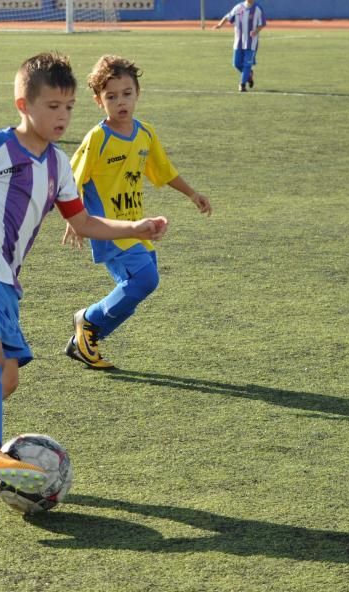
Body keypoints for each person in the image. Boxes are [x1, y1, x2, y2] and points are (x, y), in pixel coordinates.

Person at [0, 52, 168, 485]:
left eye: (68, 107)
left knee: (5, 378)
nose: (62, 116)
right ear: (24, 105)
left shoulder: (60, 165)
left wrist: (134, 226)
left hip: (5, 279)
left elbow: (82, 222)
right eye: (52, 106)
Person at [62, 55, 211, 370]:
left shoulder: (145, 133)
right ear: (99, 101)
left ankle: (86, 338)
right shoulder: (98, 138)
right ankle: (88, 321)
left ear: (138, 93)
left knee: (141, 284)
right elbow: (72, 179)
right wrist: (74, 220)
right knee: (144, 279)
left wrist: (192, 194)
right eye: (111, 96)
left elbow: (163, 170)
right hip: (109, 227)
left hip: (135, 227)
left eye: (127, 94)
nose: (120, 102)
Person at [213, 0, 267, 92]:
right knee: (236, 63)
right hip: (238, 42)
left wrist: (256, 31)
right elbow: (228, 16)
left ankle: (242, 85)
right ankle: (249, 75)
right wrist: (219, 25)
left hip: (251, 43)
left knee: (247, 64)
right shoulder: (238, 7)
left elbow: (262, 24)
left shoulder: (258, 8)